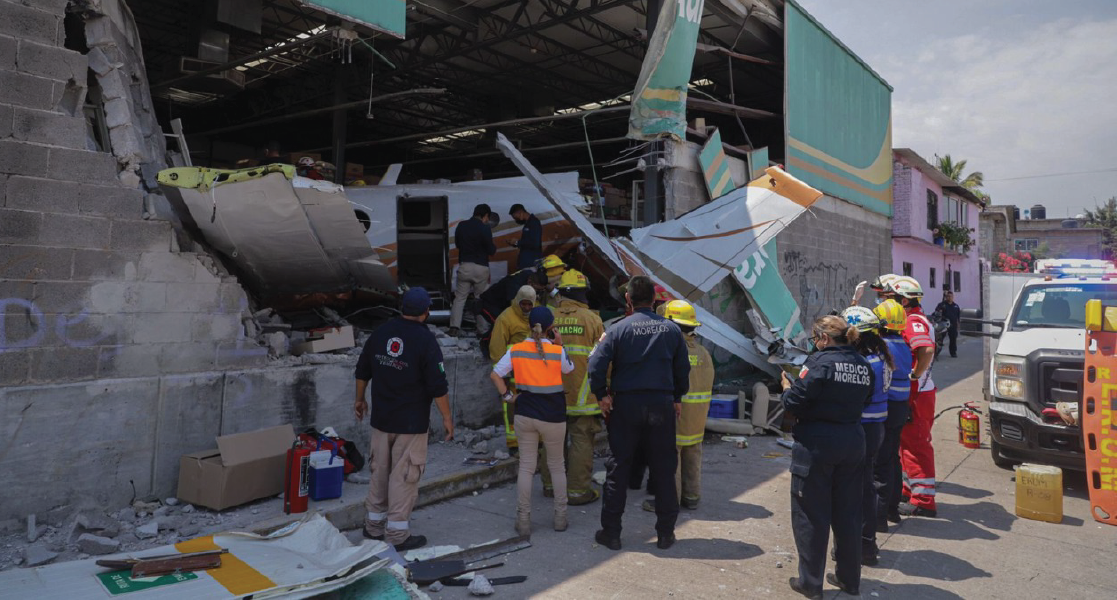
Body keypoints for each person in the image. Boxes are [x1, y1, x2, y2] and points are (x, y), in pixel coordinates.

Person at [588, 275, 690, 551]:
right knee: (664, 470)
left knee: (618, 468)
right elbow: (683, 369)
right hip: (661, 405)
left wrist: (602, 395)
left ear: (629, 300)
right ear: (655, 300)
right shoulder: (671, 331)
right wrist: (677, 397)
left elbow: (595, 364)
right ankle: (666, 533)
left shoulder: (618, 329)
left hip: (627, 406)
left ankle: (611, 533)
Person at [780, 315, 875, 599]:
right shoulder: (862, 364)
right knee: (848, 513)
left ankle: (810, 582)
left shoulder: (819, 363)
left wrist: (786, 387)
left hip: (818, 445)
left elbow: (794, 401)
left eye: (815, 338)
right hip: (853, 440)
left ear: (823, 338)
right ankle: (849, 579)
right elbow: (866, 400)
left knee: (810, 513)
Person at [354, 287, 453, 552]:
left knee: (379, 473)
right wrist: (447, 418)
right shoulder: (426, 341)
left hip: (381, 420)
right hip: (410, 423)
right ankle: (397, 535)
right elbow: (438, 385)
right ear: (425, 312)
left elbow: (362, 370)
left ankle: (372, 527)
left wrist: (359, 399)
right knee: (404, 477)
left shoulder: (381, 333)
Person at [490, 307, 575, 535]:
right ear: (551, 328)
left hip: (525, 414)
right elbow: (570, 369)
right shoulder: (556, 352)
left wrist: (508, 397)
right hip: (553, 417)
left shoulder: (516, 350)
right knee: (557, 467)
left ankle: (524, 520)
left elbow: (496, 374)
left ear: (529, 325)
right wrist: (559, 344)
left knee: (526, 467)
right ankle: (560, 518)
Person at [538, 269, 606, 504]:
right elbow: (604, 360)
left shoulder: (549, 318)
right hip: (583, 396)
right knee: (581, 441)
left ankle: (549, 486)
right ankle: (577, 492)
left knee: (552, 442)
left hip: (551, 394)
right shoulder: (592, 320)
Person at [642, 300, 714, 513]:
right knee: (692, 453)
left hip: (675, 415)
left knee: (670, 458)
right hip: (698, 418)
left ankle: (668, 500)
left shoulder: (670, 351)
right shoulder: (704, 353)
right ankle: (691, 497)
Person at [840, 306, 893, 566]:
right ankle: (866, 545)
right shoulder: (880, 357)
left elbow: (859, 398)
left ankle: (863, 547)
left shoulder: (865, 363)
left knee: (858, 490)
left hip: (864, 428)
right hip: (877, 427)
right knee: (866, 485)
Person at [889, 276, 938, 517]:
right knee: (906, 446)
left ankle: (924, 500)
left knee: (916, 446)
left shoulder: (913, 321)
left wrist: (914, 376)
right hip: (918, 393)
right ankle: (910, 491)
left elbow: (926, 349)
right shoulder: (914, 318)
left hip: (918, 395)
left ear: (905, 300)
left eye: (893, 298)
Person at [872, 299, 912, 530]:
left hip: (886, 409)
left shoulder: (882, 347)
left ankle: (880, 515)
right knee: (892, 458)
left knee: (880, 464)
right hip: (900, 408)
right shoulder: (903, 344)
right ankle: (892, 509)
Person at [489, 285, 538, 454]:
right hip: (513, 375)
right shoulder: (506, 318)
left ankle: (533, 441)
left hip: (533, 374)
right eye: (523, 304)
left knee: (533, 408)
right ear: (517, 301)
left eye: (529, 305)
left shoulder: (536, 315)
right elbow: (497, 347)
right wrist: (504, 374)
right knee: (512, 409)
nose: (526, 308)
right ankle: (514, 444)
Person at [449, 204, 497, 336]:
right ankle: (482, 329)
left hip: (465, 266)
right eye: (487, 217)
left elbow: (458, 244)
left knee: (459, 298)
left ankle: (454, 327)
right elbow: (491, 250)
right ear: (485, 215)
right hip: (481, 267)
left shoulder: (462, 225)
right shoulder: (485, 228)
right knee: (480, 298)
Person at [509, 203, 543, 270]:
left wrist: (518, 242)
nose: (516, 220)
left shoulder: (534, 222)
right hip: (526, 262)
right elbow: (527, 242)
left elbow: (535, 243)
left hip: (531, 263)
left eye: (516, 217)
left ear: (520, 212)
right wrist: (515, 243)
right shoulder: (527, 223)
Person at [934, 290, 962, 357]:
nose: (949, 298)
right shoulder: (942, 305)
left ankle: (953, 353)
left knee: (953, 339)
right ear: (946, 297)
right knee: (939, 340)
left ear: (953, 297)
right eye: (948, 296)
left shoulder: (956, 306)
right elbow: (936, 313)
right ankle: (936, 353)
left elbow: (958, 317)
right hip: (943, 325)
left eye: (951, 296)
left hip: (953, 325)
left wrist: (958, 325)